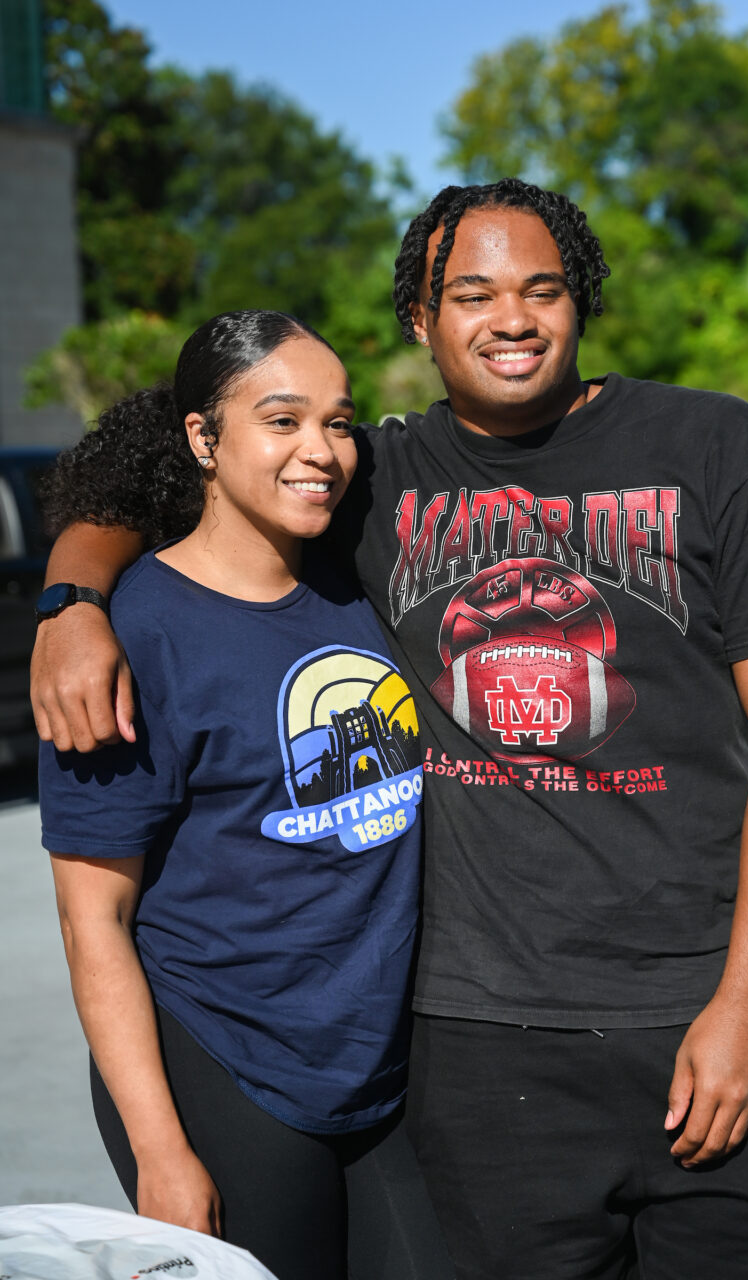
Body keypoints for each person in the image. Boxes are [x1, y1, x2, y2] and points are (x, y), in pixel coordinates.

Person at [33, 181, 748, 1279]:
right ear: (420, 320)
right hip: (478, 1059)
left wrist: (747, 1006)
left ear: (581, 298)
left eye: (541, 289)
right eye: (472, 294)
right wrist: (71, 603)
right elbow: (152, 470)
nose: (510, 318)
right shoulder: (375, 472)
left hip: (704, 1024)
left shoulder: (712, 443)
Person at [35, 310, 451, 1280]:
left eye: (338, 421)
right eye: (282, 419)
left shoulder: (353, 581)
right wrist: (160, 1150)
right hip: (224, 1061)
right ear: (202, 438)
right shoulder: (135, 635)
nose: (321, 450)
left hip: (373, 1057)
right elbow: (93, 918)